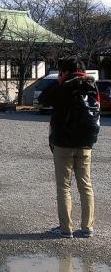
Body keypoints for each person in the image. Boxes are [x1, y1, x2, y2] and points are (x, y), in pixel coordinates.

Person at [39, 57, 99, 238]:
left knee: (64, 187)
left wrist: (60, 82)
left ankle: (66, 229)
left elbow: (43, 99)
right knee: (86, 186)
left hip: (63, 144)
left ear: (65, 72)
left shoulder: (63, 87)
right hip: (85, 143)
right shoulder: (91, 85)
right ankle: (87, 227)